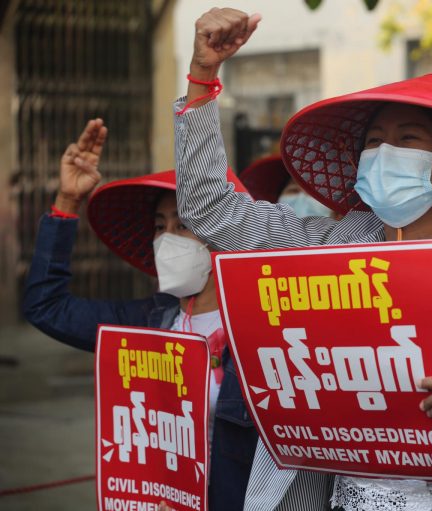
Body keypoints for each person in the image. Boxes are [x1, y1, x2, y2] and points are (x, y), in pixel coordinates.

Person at [173, 7, 432, 511]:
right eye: (374, 142)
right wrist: (202, 79)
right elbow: (209, 209)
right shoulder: (321, 253)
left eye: (408, 139)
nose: (385, 153)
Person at [21, 122, 328, 511]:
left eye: (184, 225)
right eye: (159, 227)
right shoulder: (150, 320)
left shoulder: (276, 335)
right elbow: (46, 307)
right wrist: (66, 202)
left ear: (224, 233)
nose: (166, 239)